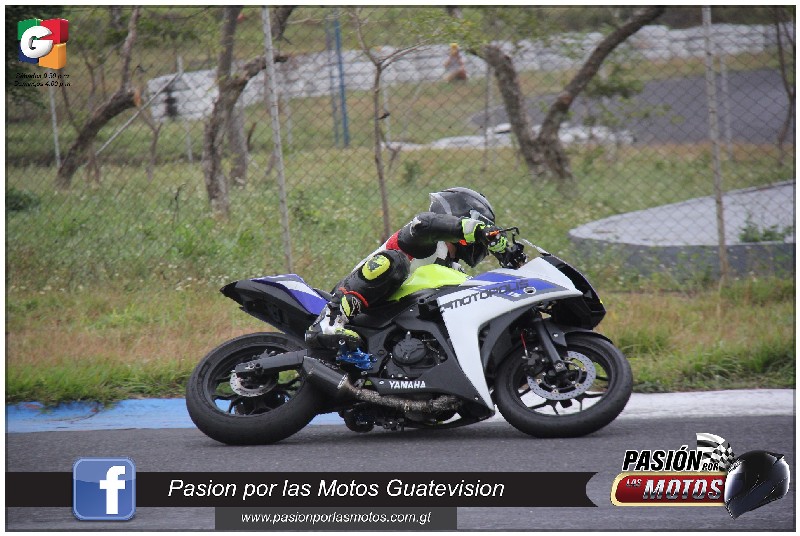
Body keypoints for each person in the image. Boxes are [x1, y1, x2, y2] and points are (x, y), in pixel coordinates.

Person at [305, 187, 524, 351]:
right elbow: (425, 223)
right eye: (481, 223)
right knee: (395, 262)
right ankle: (330, 319)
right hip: (360, 305)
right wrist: (479, 230)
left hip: (391, 324)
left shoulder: (454, 270)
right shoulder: (424, 238)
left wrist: (507, 256)